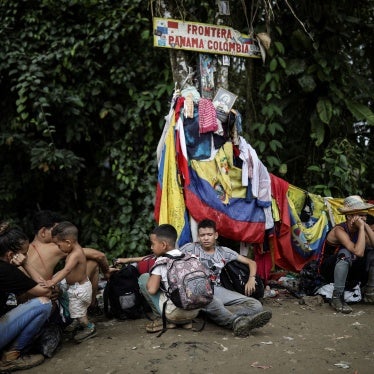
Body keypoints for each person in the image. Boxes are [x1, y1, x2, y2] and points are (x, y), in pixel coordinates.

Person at [180, 218, 272, 337]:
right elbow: (170, 259)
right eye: (202, 235)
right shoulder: (190, 248)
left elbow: (251, 262)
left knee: (256, 305)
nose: (206, 238)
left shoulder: (223, 252)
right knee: (214, 302)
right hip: (197, 290)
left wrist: (251, 278)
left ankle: (218, 314)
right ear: (198, 236)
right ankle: (237, 322)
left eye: (209, 234)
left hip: (217, 290)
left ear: (216, 235)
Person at [26, 210, 115, 315]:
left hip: (28, 304)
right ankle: (92, 306)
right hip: (47, 300)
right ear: (43, 232)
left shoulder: (25, 250)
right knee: (93, 262)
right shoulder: (54, 247)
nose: (59, 234)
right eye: (56, 231)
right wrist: (107, 271)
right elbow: (99, 255)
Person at [0, 222, 52, 372]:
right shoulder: (6, 270)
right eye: (25, 253)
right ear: (11, 255)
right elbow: (46, 292)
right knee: (43, 304)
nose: (26, 256)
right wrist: (27, 264)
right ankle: (9, 359)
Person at [40, 221, 96, 343]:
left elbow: (66, 270)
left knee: (79, 311)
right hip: (77, 287)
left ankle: (88, 327)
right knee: (75, 308)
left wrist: (52, 281)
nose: (58, 248)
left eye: (58, 245)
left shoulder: (75, 254)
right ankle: (76, 320)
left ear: (68, 243)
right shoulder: (74, 251)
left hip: (80, 290)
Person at [138, 224, 200, 333]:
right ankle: (186, 322)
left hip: (173, 314)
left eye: (153, 244)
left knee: (144, 278)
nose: (151, 247)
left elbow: (152, 290)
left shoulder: (161, 262)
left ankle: (162, 319)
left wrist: (153, 277)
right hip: (194, 311)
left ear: (163, 245)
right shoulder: (191, 257)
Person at [319, 195, 374, 313]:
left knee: (371, 253)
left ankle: (370, 292)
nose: (363, 218)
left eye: (365, 215)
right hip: (329, 270)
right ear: (349, 216)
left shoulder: (361, 228)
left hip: (349, 269)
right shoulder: (339, 230)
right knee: (345, 252)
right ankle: (337, 297)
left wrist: (365, 227)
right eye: (360, 215)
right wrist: (362, 229)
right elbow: (358, 252)